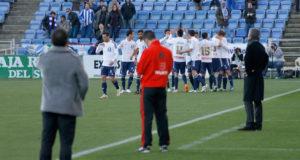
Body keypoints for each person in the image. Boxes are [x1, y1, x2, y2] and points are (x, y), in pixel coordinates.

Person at [38, 29, 89, 160]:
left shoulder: (44, 58)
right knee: (66, 143)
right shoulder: (74, 59)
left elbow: (39, 64)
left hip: (49, 105)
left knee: (46, 142)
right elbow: (84, 83)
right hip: (68, 106)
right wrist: (79, 98)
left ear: (51, 41)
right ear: (67, 41)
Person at [136, 30, 173, 153]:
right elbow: (169, 68)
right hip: (161, 87)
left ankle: (146, 145)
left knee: (147, 116)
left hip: (148, 87)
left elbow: (140, 70)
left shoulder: (147, 51)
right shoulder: (167, 51)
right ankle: (164, 144)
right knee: (162, 116)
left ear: (147, 40)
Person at [238, 28, 268, 131]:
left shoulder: (250, 46)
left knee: (247, 99)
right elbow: (266, 59)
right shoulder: (261, 47)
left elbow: (247, 60)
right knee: (258, 100)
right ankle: (258, 124)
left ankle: (250, 123)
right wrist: (259, 69)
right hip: (259, 75)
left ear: (250, 36)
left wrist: (249, 71)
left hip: (251, 76)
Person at [96, 32, 121, 99]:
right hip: (104, 64)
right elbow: (97, 52)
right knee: (103, 78)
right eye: (103, 37)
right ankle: (105, 94)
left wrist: (113, 60)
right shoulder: (103, 44)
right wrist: (99, 45)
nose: (103, 38)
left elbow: (116, 53)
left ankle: (118, 88)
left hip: (112, 65)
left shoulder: (113, 44)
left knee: (112, 79)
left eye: (104, 37)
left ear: (108, 36)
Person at [166, 28, 189, 93]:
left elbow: (168, 41)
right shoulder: (185, 40)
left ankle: (176, 89)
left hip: (176, 59)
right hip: (183, 59)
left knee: (176, 74)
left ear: (177, 34)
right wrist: (184, 32)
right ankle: (185, 84)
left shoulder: (175, 39)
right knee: (183, 73)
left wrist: (171, 34)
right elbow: (188, 43)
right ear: (182, 34)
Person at [135, 30, 148, 94]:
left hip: (146, 60)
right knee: (138, 74)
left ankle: (143, 89)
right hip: (139, 60)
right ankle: (137, 90)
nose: (140, 35)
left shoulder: (146, 41)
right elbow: (136, 50)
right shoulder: (137, 42)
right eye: (139, 34)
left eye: (141, 34)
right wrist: (135, 58)